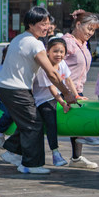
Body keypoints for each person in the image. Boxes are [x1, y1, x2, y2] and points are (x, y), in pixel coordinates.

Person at [0, 6, 77, 175]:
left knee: (30, 120)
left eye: (48, 23)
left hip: (7, 87)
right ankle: (29, 164)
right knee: (34, 124)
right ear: (31, 25)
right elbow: (52, 73)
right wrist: (67, 93)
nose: (47, 27)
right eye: (42, 23)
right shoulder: (35, 43)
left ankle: (13, 151)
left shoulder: (20, 38)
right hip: (14, 88)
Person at [63, 10, 99, 167]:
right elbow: (55, 65)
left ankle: (76, 158)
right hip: (64, 91)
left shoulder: (84, 44)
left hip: (78, 89)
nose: (91, 33)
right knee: (77, 119)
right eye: (89, 29)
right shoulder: (67, 42)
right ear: (78, 25)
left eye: (93, 30)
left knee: (77, 119)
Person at [32, 37, 73, 167]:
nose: (59, 54)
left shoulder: (62, 63)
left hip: (58, 96)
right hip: (43, 100)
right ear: (47, 51)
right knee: (50, 120)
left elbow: (68, 80)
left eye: (62, 52)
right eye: (55, 51)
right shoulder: (44, 67)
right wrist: (63, 103)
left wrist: (76, 95)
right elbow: (51, 88)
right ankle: (55, 153)